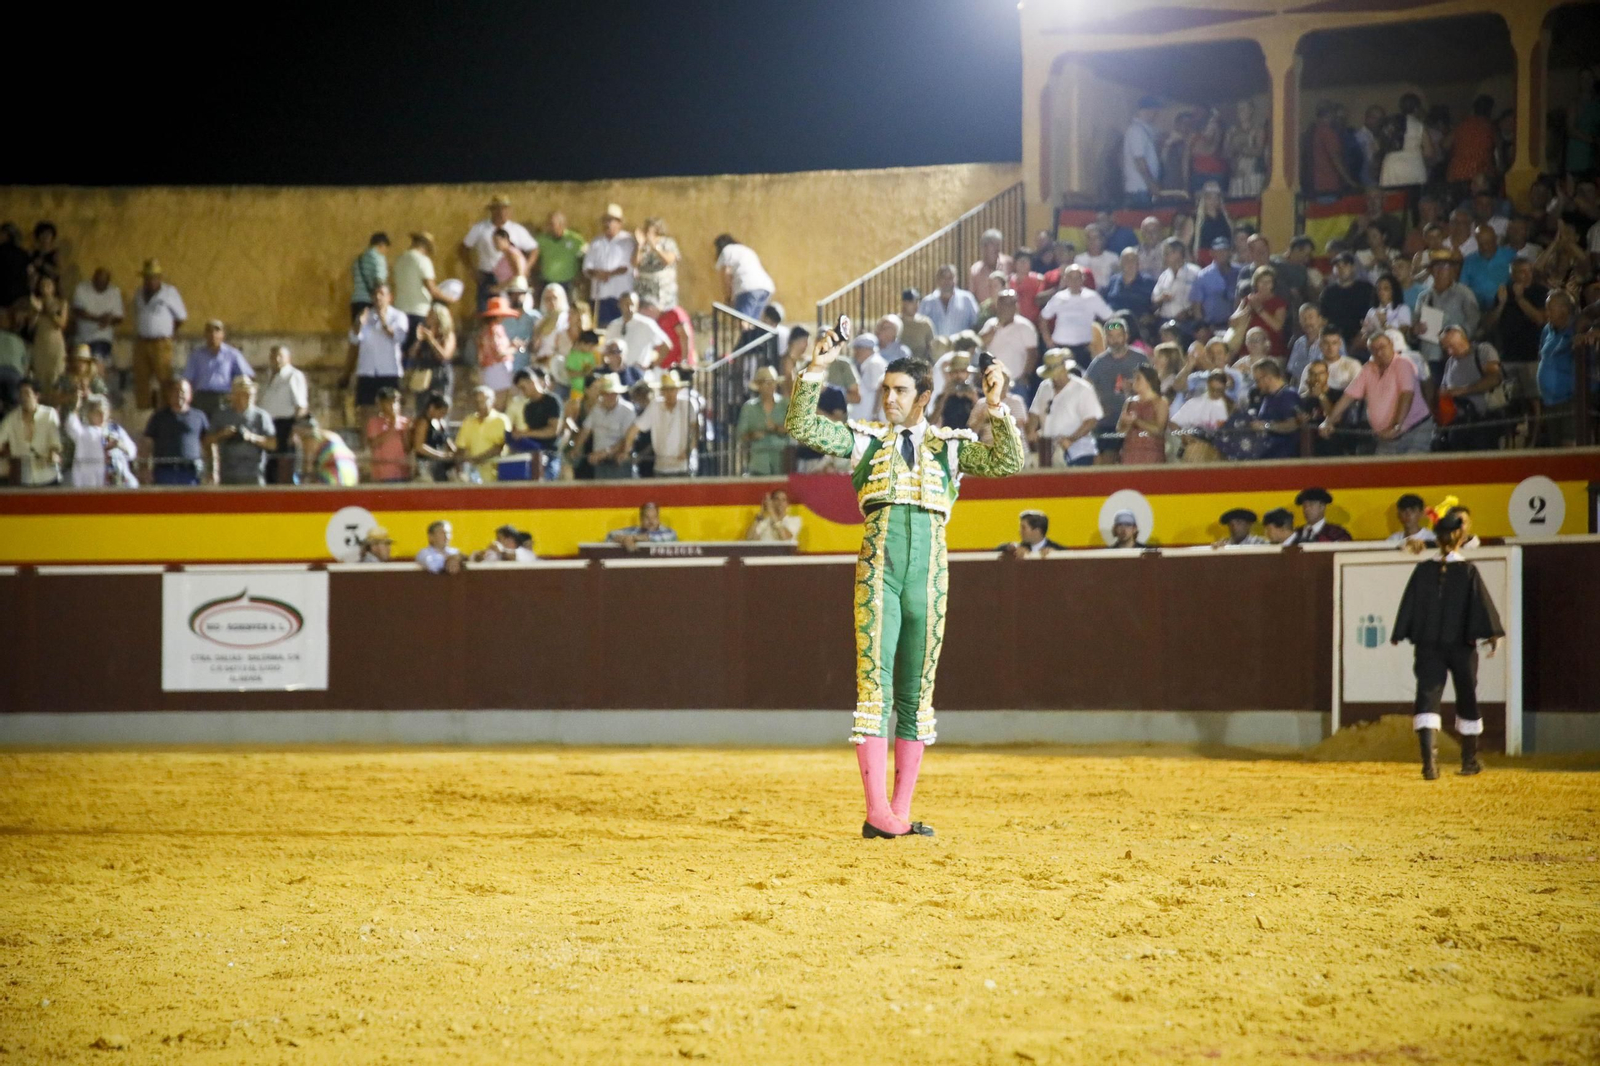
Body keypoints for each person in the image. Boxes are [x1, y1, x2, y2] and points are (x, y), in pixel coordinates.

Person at [785, 329, 1024, 840]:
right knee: (875, 687)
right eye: (885, 390)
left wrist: (995, 404)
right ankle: (877, 811)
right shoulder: (866, 441)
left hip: (931, 580)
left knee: (916, 695)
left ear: (923, 397)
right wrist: (817, 367)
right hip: (880, 573)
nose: (889, 399)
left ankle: (896, 812)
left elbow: (1008, 462)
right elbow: (802, 425)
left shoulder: (951, 447)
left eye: (899, 391)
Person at [1391, 506, 1503, 779]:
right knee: (1467, 696)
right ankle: (1468, 761)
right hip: (1461, 646)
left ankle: (1429, 765)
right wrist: (1492, 634)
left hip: (1428, 646)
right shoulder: (1467, 571)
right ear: (1460, 538)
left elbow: (1409, 605)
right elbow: (1481, 606)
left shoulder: (1423, 570)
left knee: (1427, 696)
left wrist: (1400, 632)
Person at [1320, 330, 1434, 454]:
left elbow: (1407, 395)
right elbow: (1348, 396)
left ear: (1391, 345)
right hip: (1386, 435)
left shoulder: (1403, 363)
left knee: (1412, 465)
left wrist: (1396, 426)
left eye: (1382, 347)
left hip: (1415, 430)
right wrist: (1328, 421)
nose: (1379, 352)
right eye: (1374, 349)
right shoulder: (1368, 368)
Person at [460, 195, 537, 313]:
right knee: (486, 310)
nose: (501, 212)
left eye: (505, 209)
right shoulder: (480, 228)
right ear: (492, 210)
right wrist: (472, 270)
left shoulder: (516, 231)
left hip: (509, 282)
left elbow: (533, 249)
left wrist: (526, 267)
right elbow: (464, 248)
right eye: (498, 209)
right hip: (487, 275)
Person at [1082, 320, 1146, 460]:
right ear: (1106, 338)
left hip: (1137, 421)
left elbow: (1153, 385)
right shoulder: (1099, 362)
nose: (1115, 340)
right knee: (1106, 460)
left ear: (1126, 336)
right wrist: (1097, 407)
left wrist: (1134, 386)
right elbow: (1085, 388)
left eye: (1118, 335)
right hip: (1108, 423)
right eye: (1111, 336)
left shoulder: (1140, 358)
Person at [342, 282, 408, 415]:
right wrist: (358, 324)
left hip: (389, 372)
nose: (378, 297)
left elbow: (399, 337)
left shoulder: (398, 316)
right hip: (367, 372)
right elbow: (354, 339)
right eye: (375, 294)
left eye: (381, 294)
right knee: (366, 412)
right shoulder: (365, 315)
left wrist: (384, 321)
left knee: (390, 412)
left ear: (390, 297)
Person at [620, 370, 701, 478]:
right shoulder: (655, 406)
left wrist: (689, 449)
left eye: (672, 389)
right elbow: (634, 428)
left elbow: (696, 429)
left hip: (684, 466)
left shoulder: (688, 404)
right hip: (661, 467)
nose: (669, 393)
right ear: (661, 391)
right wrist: (626, 451)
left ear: (678, 389)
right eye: (666, 389)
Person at [205, 376, 274, 486]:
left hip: (254, 474)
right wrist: (222, 434)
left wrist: (251, 437)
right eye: (241, 394)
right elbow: (207, 441)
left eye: (249, 394)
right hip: (227, 474)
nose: (246, 398)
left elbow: (272, 444)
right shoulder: (221, 415)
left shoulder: (261, 416)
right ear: (233, 396)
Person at [1040, 266, 1112, 364]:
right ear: (1065, 279)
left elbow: (1109, 318)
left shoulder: (1092, 297)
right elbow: (1043, 318)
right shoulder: (1058, 297)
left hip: (1084, 348)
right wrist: (1048, 340)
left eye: (1078, 278)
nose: (1074, 281)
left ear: (1083, 279)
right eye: (1071, 278)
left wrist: (1107, 339)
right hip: (1060, 347)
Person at [183, 319, 253, 421]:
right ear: (205, 335)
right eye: (209, 331)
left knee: (223, 426)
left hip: (224, 398)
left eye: (217, 330)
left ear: (223, 334)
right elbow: (187, 379)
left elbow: (246, 376)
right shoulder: (196, 355)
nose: (213, 334)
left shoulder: (232, 354)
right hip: (201, 399)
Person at [141, 379, 208, 486]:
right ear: (169, 394)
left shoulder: (199, 417)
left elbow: (208, 443)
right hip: (164, 471)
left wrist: (212, 470)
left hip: (191, 472)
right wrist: (144, 468)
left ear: (190, 395)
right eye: (176, 391)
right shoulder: (158, 417)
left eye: (183, 391)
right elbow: (147, 444)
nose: (179, 394)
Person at [62, 393, 137, 487]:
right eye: (98, 412)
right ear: (89, 414)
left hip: (118, 482)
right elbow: (71, 425)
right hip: (92, 483)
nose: (102, 415)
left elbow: (132, 452)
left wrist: (120, 445)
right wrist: (76, 407)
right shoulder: (83, 432)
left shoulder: (116, 429)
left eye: (105, 411)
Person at [258, 345, 308, 484]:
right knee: (269, 466)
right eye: (274, 356)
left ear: (288, 358)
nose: (277, 359)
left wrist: (294, 429)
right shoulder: (269, 376)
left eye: (280, 356)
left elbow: (301, 406)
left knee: (283, 465)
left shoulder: (293, 375)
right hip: (268, 425)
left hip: (285, 425)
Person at [573, 373, 637, 479]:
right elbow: (586, 430)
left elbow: (628, 438)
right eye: (606, 393)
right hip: (599, 462)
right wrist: (577, 448)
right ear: (601, 394)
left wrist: (605, 452)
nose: (610, 396)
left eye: (613, 393)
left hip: (618, 462)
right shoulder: (596, 408)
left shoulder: (627, 410)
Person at [0, 379, 62, 486]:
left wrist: (53, 453)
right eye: (21, 393)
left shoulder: (49, 414)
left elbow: (55, 441)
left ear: (37, 395)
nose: (23, 397)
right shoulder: (11, 418)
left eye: (27, 393)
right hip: (22, 477)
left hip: (47, 475)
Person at [584, 204, 637, 325]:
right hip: (600, 296)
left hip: (620, 296)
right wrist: (597, 273)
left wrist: (608, 274)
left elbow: (627, 267)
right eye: (605, 220)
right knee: (601, 328)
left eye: (611, 220)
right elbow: (587, 267)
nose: (607, 224)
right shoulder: (596, 242)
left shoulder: (628, 241)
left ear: (619, 223)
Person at [506, 368, 563, 479]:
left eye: (523, 388)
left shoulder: (552, 401)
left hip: (550, 454)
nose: (522, 392)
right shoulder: (528, 407)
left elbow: (553, 431)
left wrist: (525, 434)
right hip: (533, 454)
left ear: (531, 382)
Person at [738, 365, 789, 475]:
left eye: (773, 382)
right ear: (759, 386)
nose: (771, 386)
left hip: (782, 459)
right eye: (767, 383)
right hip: (759, 461)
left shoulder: (785, 404)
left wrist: (776, 428)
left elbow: (795, 430)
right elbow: (741, 435)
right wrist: (753, 435)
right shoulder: (749, 408)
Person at [454, 385, 512, 483]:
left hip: (496, 475)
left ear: (492, 401)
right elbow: (460, 448)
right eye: (476, 402)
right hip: (471, 477)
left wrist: (476, 460)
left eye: (483, 401)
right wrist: (460, 471)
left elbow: (500, 446)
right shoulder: (468, 421)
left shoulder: (501, 420)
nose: (480, 405)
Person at [978, 290, 1038, 383]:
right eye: (1003, 304)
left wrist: (1025, 375)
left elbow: (1032, 354)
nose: (1006, 308)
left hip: (1015, 381)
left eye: (1010, 304)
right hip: (992, 380)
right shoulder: (990, 323)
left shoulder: (1025, 326)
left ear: (1015, 306)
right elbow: (980, 343)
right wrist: (997, 326)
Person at [1318, 252, 1377, 346]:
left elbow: (1373, 315)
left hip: (1364, 339)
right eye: (1337, 266)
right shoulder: (1328, 293)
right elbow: (1323, 319)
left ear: (1353, 267)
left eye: (1345, 265)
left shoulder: (1366, 289)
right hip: (1335, 342)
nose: (1341, 269)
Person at [713, 233, 774, 320]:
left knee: (741, 321)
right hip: (766, 287)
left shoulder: (727, 250)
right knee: (753, 322)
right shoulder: (746, 250)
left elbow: (726, 274)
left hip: (747, 287)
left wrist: (728, 298)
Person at [70, 268, 123, 367]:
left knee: (96, 363)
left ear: (108, 283)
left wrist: (109, 320)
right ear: (93, 279)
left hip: (102, 337)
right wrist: (98, 319)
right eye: (98, 282)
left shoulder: (114, 292)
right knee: (80, 366)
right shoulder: (82, 288)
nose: (100, 285)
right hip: (82, 338)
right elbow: (77, 310)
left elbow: (119, 317)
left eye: (103, 283)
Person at [603, 292, 670, 370]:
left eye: (632, 304)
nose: (629, 308)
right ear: (619, 305)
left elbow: (666, 345)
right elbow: (607, 348)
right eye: (626, 304)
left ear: (637, 305)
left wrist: (651, 366)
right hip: (618, 372)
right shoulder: (613, 325)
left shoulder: (647, 324)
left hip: (639, 373)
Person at [1116, 365, 1167, 465]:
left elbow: (1159, 430)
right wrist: (1126, 423)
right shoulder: (1130, 402)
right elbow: (1120, 430)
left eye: (1138, 378)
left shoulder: (1160, 402)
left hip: (1151, 453)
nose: (1134, 381)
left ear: (1149, 381)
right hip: (1129, 452)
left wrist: (1136, 421)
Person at [406, 302, 456, 405]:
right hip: (424, 374)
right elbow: (411, 354)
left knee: (439, 405)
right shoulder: (425, 333)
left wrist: (431, 340)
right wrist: (419, 340)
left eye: (431, 315)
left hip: (440, 374)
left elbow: (444, 356)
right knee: (422, 406)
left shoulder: (447, 335)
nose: (427, 317)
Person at [1459, 225, 1514, 314]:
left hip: (1505, 309)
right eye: (1481, 244)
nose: (1485, 247)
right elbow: (1462, 288)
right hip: (1476, 310)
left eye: (1489, 243)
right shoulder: (1469, 261)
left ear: (1495, 239)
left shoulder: (1510, 255)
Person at [363, 386, 413, 483]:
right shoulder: (374, 422)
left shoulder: (404, 421)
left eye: (396, 402)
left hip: (402, 472)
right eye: (388, 402)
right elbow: (373, 443)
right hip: (383, 473)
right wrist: (394, 425)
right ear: (380, 404)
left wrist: (406, 431)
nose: (393, 405)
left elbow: (407, 448)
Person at [475, 295, 520, 402]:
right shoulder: (496, 329)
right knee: (500, 402)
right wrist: (514, 348)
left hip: (488, 370)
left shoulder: (485, 330)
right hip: (498, 369)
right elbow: (499, 353)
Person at [1381, 93, 1431, 189]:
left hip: (1391, 166)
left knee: (1393, 195)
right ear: (1416, 108)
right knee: (1412, 195)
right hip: (1413, 166)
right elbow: (1429, 152)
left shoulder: (1390, 122)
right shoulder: (1418, 125)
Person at [1190, 238, 1240, 330]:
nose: (1221, 254)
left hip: (1236, 325)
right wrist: (1202, 328)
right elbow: (1196, 306)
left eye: (1224, 250)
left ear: (1230, 252)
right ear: (1211, 253)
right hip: (1211, 326)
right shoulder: (1202, 276)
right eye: (1218, 251)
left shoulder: (1239, 272)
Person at [1151, 238, 1200, 330]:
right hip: (1165, 322)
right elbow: (1154, 299)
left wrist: (1188, 312)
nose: (1164, 257)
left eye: (1167, 253)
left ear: (1178, 253)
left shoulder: (1195, 273)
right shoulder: (1164, 275)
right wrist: (1162, 298)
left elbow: (1201, 300)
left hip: (1187, 322)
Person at [919, 264, 980, 338]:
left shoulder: (967, 299)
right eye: (943, 278)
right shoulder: (927, 302)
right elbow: (920, 326)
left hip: (960, 344)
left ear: (956, 279)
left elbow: (976, 323)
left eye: (950, 278)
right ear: (937, 280)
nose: (947, 281)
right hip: (935, 344)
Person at [1104, 249, 1155, 336]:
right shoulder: (1113, 281)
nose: (1130, 263)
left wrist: (1151, 316)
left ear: (1138, 264)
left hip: (1139, 326)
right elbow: (1105, 302)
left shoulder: (1148, 282)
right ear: (1120, 264)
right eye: (1126, 260)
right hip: (1115, 326)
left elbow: (1156, 305)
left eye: (1133, 260)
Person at [534, 211, 586, 298]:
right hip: (546, 282)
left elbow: (585, 257)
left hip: (568, 283)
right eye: (548, 223)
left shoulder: (575, 239)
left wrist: (580, 278)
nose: (549, 226)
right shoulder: (541, 239)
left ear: (563, 224)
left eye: (552, 224)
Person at [296, 417, 359, 486]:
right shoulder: (331, 435)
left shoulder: (310, 437)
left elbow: (308, 463)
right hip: (350, 475)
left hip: (333, 476)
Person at [1123, 96, 1162, 205]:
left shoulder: (1144, 130)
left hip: (1144, 189)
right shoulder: (1136, 131)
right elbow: (1139, 161)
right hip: (1140, 190)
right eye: (1154, 111)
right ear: (1147, 111)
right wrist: (1152, 184)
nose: (1155, 115)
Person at [411, 391, 457, 482]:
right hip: (426, 465)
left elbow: (447, 440)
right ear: (432, 408)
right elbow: (419, 447)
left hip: (440, 465)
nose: (442, 416)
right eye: (441, 412)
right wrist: (440, 455)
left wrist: (455, 453)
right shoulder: (423, 422)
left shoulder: (441, 423)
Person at [1284, 487, 1352, 544]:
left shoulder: (1337, 534)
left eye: (1311, 505)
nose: (1307, 509)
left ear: (1322, 507)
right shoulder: (1296, 533)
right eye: (1304, 506)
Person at [845, 334, 887, 422]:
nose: (855, 353)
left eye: (857, 349)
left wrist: (875, 414)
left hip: (869, 420)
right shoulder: (870, 364)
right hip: (864, 419)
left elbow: (880, 391)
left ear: (865, 349)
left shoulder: (874, 364)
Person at [350, 232, 390, 322]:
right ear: (381, 245)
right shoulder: (379, 258)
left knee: (358, 329)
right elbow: (379, 282)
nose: (385, 252)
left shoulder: (358, 259)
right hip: (371, 303)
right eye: (385, 248)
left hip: (356, 301)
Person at [608, 502, 678, 550]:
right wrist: (624, 539)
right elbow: (610, 535)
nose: (651, 521)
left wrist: (634, 538)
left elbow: (669, 537)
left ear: (658, 519)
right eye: (647, 518)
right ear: (641, 519)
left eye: (654, 517)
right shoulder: (634, 531)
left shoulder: (668, 532)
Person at [1000, 510, 1065, 557]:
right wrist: (1010, 548)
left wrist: (1055, 555)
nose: (1020, 531)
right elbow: (997, 552)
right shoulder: (1017, 548)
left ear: (1037, 531)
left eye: (1023, 528)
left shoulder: (1058, 550)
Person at [897, 289, 936, 362]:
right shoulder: (895, 322)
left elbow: (932, 347)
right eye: (911, 302)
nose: (915, 305)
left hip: (920, 364)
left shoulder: (925, 323)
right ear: (903, 303)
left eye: (917, 302)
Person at [473, 524, 537, 564]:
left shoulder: (524, 552)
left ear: (510, 539)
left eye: (499, 538)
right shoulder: (496, 552)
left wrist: (499, 551)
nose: (496, 541)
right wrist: (482, 555)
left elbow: (511, 557)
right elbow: (476, 558)